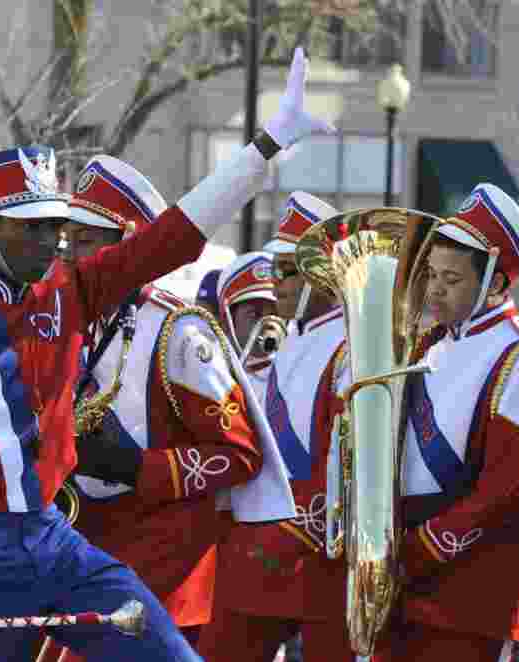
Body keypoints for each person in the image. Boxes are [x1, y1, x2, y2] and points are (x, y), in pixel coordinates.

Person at [0, 46, 325, 662]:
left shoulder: (69, 288)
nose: (52, 237)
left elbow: (172, 241)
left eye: (56, 222)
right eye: (33, 225)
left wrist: (265, 148)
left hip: (54, 539)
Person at [34, 155, 290, 662]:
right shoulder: (76, 319)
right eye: (69, 241)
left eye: (85, 241)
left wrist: (136, 466)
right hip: (85, 548)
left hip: (162, 570)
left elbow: (240, 455)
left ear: (130, 244)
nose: (69, 256)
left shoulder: (180, 332)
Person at [370, 183, 519, 662]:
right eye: (432, 274)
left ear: (495, 284)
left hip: (472, 581)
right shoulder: (429, 345)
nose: (434, 288)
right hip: (404, 572)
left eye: (452, 279)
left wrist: (423, 547)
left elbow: (509, 485)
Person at [197, 192, 356, 662]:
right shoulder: (284, 343)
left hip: (317, 556)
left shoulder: (353, 347)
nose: (276, 284)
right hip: (257, 553)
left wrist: (289, 533)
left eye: (287, 271)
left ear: (322, 273)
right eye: (275, 270)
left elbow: (348, 465)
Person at [214, 251, 279, 396]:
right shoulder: (211, 376)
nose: (269, 323)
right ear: (227, 321)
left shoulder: (298, 370)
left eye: (276, 313)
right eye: (254, 315)